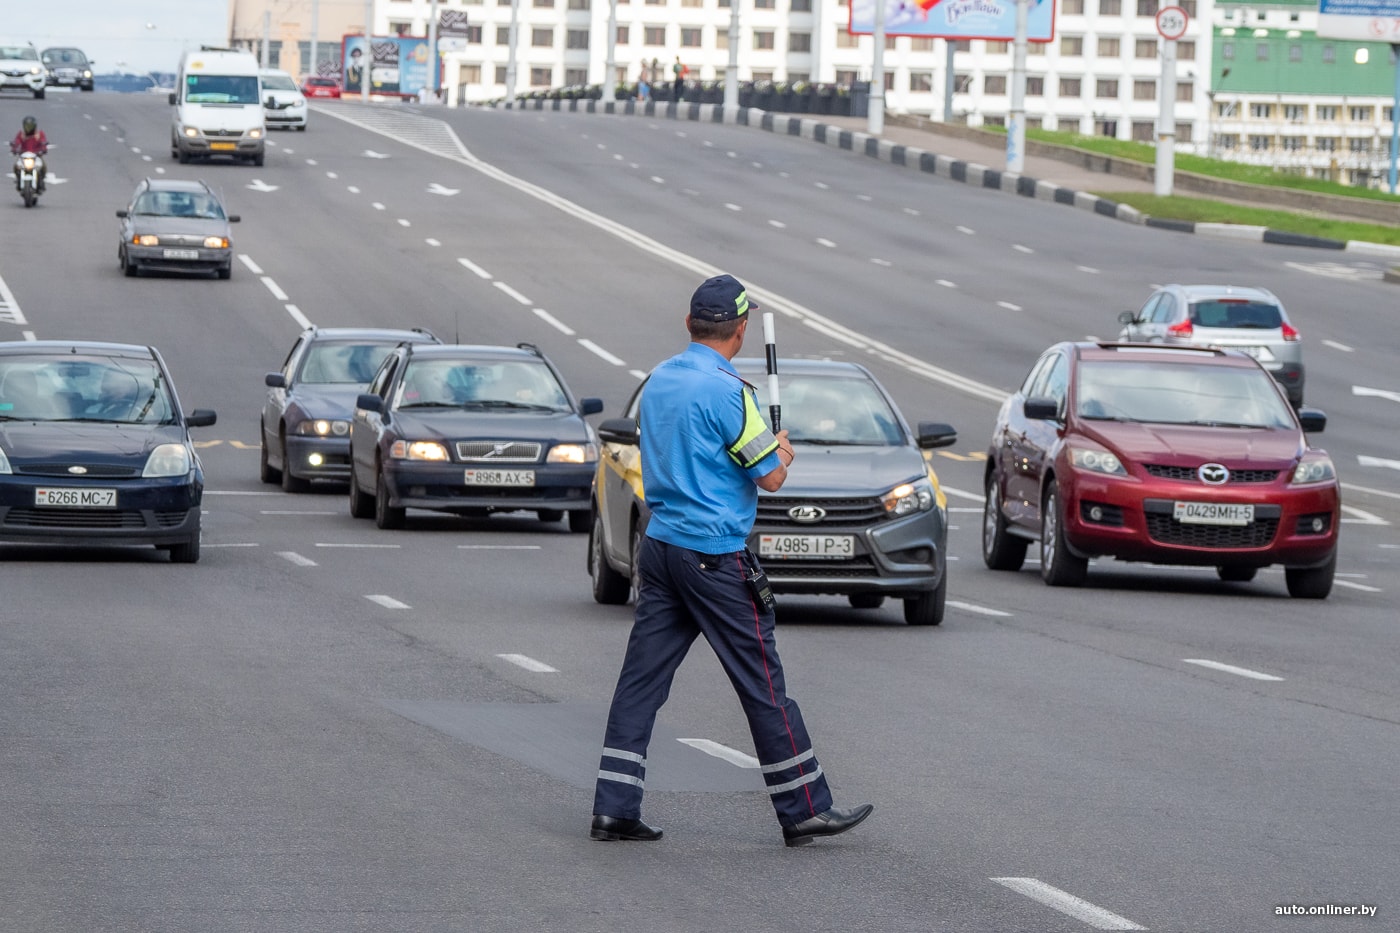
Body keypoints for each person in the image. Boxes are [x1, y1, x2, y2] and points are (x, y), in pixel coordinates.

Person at [590, 274, 874, 848]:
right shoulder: (728, 391)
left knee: (640, 682)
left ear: (689, 324)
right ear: (741, 330)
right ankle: (804, 807)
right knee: (763, 682)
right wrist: (781, 448)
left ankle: (614, 806)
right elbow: (769, 475)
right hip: (714, 554)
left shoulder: (661, 379)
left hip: (662, 545)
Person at [10, 116, 48, 193]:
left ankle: (41, 181)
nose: (28, 128)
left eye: (30, 126)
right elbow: (17, 142)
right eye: (27, 126)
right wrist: (14, 149)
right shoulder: (21, 134)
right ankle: (18, 180)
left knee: (43, 166)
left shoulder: (39, 134)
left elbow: (43, 142)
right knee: (15, 166)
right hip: (24, 155)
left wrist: (43, 149)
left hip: (36, 155)